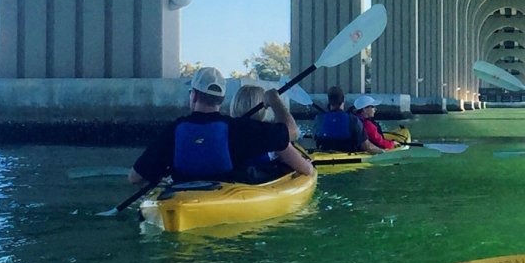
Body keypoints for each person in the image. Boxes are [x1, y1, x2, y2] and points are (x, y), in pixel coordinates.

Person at [127, 67, 311, 185]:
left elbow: (134, 177)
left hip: (182, 196)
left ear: (194, 96)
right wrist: (274, 101)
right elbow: (292, 132)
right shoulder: (240, 128)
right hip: (228, 196)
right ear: (221, 100)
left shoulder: (174, 130)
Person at [231, 84, 314, 181]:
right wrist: (307, 163)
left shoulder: (225, 129)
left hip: (232, 183)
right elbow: (307, 170)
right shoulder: (271, 135)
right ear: (263, 107)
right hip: (259, 187)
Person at [312, 86, 372, 153]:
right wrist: (382, 152)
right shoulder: (353, 120)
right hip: (348, 159)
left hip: (324, 157)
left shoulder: (319, 118)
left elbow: (315, 137)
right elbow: (366, 147)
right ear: (344, 100)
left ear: (329, 101)